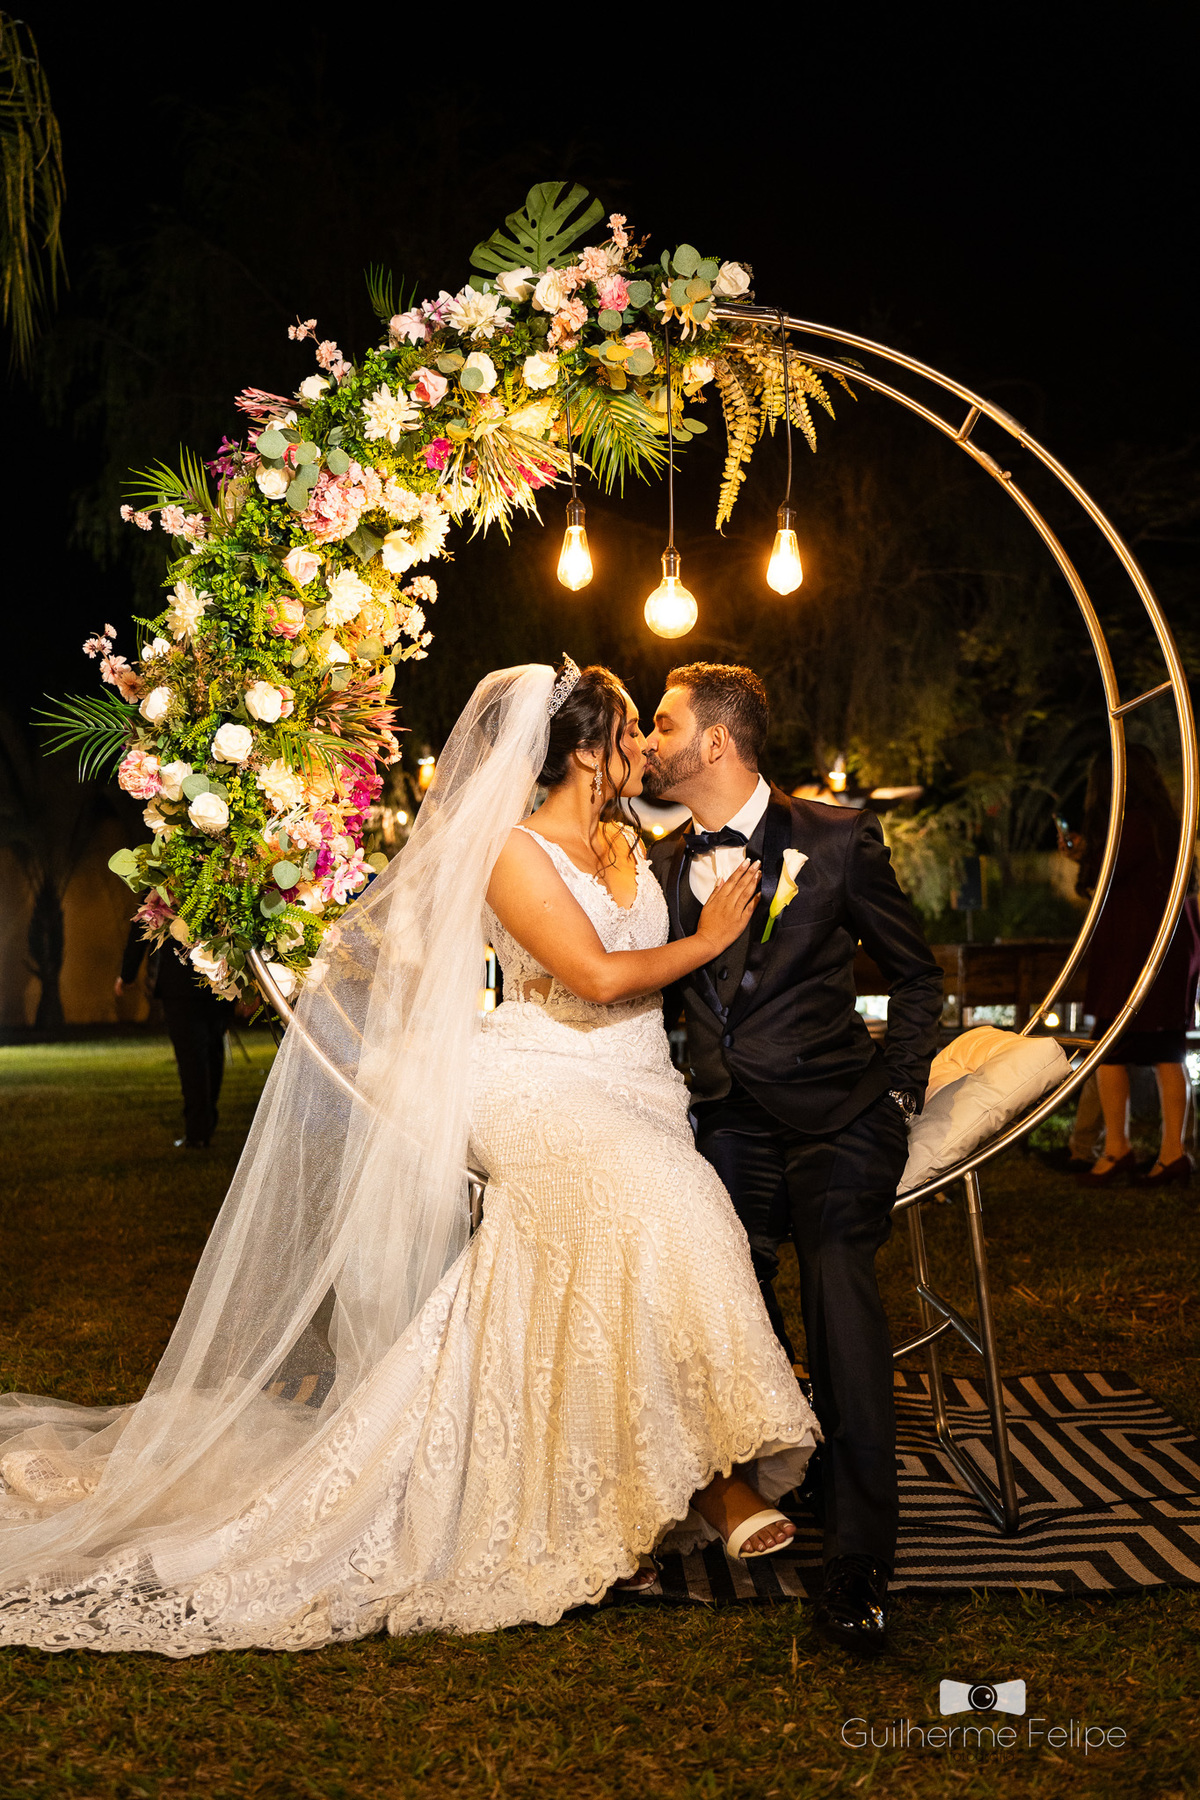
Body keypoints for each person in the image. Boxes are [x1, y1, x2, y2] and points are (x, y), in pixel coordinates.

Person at [0, 660, 817, 1656]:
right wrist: (712, 939)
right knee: (665, 1194)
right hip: (537, 1077)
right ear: (584, 751)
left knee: (637, 1227)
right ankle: (718, 1483)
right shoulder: (512, 850)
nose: (644, 744)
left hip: (638, 1082)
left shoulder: (631, 838)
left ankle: (633, 1485)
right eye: (629, 731)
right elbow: (597, 977)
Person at [644, 663, 943, 1656]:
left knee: (836, 1276)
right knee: (720, 1276)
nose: (648, 741)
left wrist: (900, 1091)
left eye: (663, 725)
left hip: (839, 1114)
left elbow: (917, 975)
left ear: (715, 743)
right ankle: (788, 1451)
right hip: (727, 1119)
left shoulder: (839, 837)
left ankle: (857, 1562)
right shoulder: (658, 868)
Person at [1061, 745, 1200, 1187]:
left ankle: (1119, 1148)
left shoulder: (1127, 824)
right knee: (1167, 1049)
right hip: (1168, 943)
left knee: (1110, 1048)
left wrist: (1083, 856)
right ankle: (1172, 1152)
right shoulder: (1168, 822)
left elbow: (1106, 879)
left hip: (1133, 947)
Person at [116, 923, 236, 1148]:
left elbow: (143, 921)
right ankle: (205, 1122)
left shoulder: (168, 897)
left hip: (183, 983)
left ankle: (198, 1128)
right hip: (218, 978)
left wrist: (127, 973)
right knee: (211, 1049)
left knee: (193, 1056)